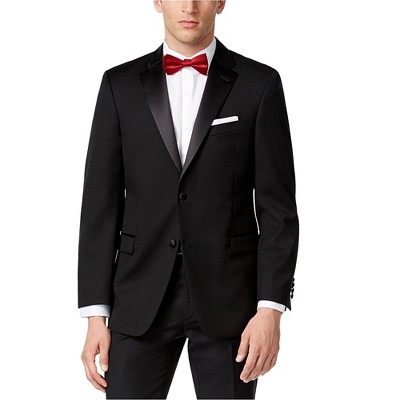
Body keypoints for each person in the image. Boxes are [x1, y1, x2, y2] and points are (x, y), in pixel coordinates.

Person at [78, 1, 299, 399]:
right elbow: (100, 205)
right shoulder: (119, 85)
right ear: (157, 1)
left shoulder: (259, 84)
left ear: (221, 2)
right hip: (139, 296)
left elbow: (278, 210)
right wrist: (95, 313)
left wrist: (271, 308)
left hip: (230, 302)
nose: (189, 6)